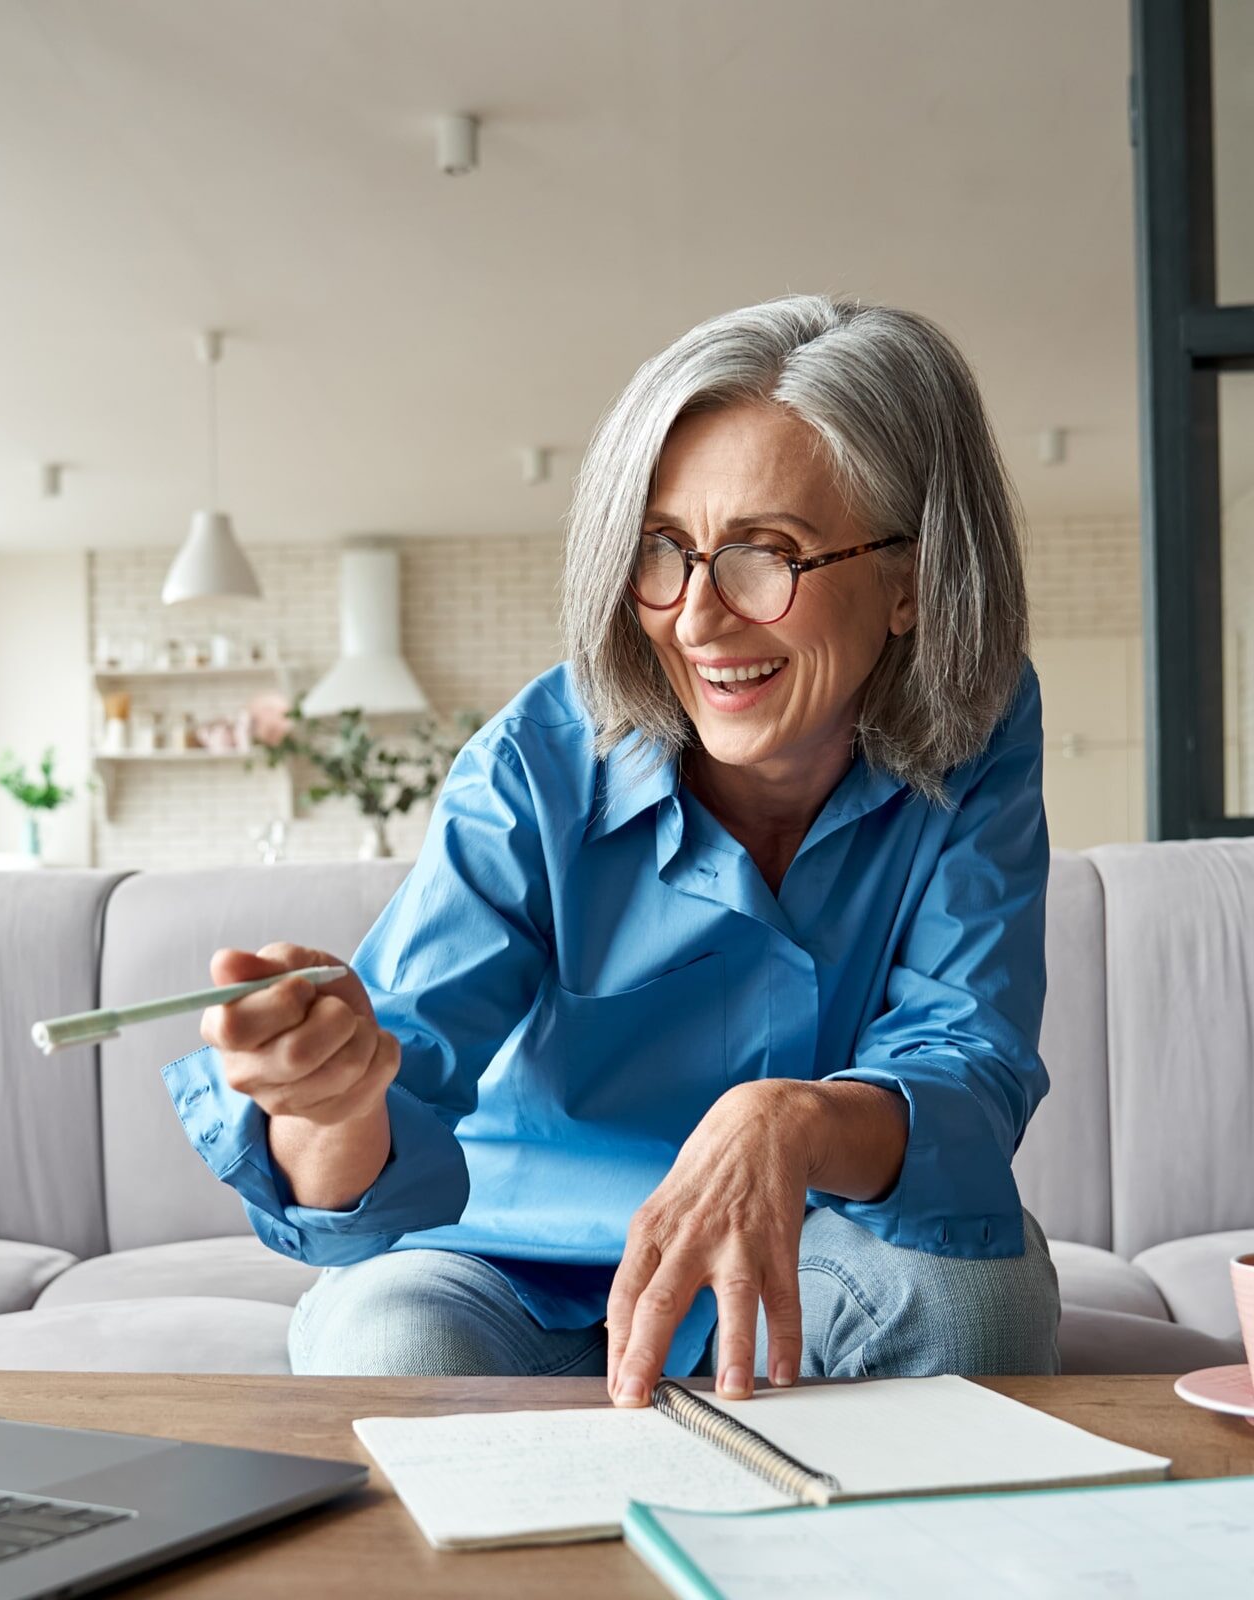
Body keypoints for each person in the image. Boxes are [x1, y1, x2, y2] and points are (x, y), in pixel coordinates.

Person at [162, 295, 1061, 1405]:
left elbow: (965, 1061)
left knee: (982, 1294)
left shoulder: (976, 729)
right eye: (661, 554)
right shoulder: (533, 764)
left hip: (807, 1249)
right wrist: (330, 1100)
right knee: (388, 1342)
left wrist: (786, 1118)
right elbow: (393, 1107)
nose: (694, 619)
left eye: (763, 556)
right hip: (499, 1261)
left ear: (911, 582)